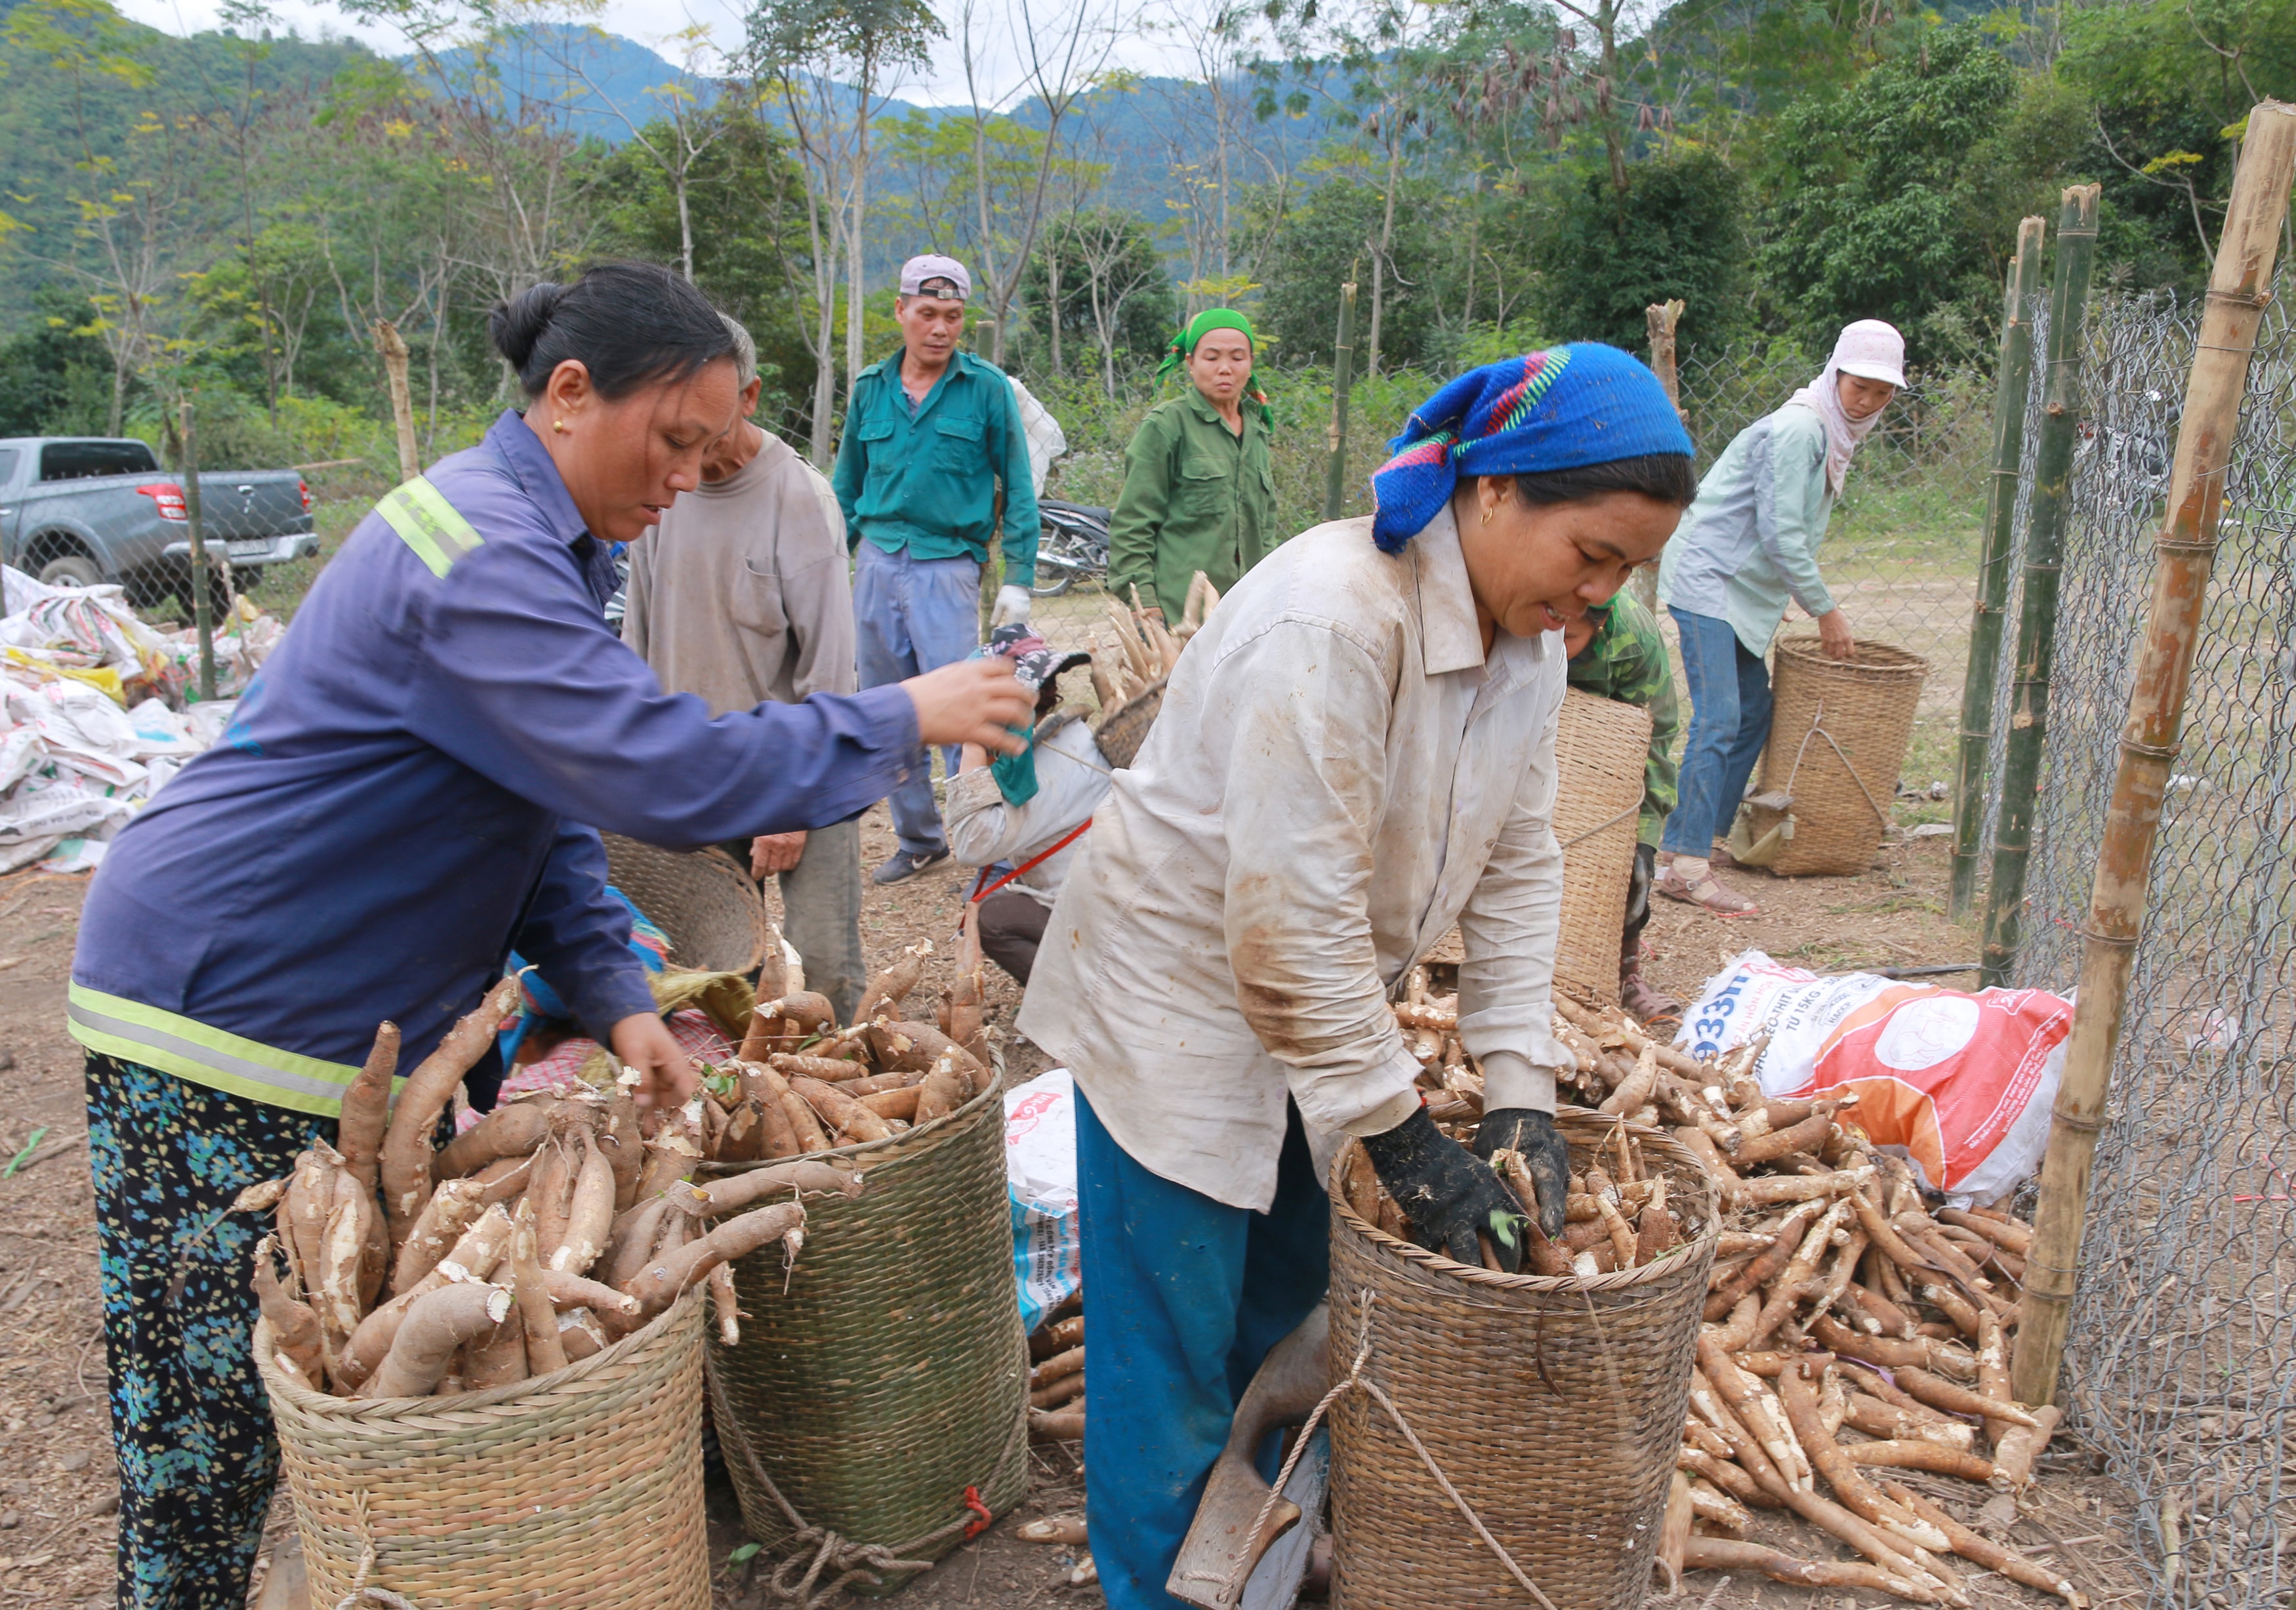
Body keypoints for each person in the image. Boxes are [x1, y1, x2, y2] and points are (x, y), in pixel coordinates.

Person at [66, 260, 1033, 1610]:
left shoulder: (549, 550)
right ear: (570, 396)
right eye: (677, 439)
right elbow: (650, 768)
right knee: (212, 1436)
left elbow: (545, 806)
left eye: (713, 448)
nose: (691, 477)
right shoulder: (471, 547)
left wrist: (616, 994)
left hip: (343, 1019)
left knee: (364, 1381)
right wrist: (895, 716)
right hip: (218, 1003)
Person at [1017, 344, 1698, 1610]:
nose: (1598, 596)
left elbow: (1520, 861)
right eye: (1590, 554)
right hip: (1176, 1014)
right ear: (1497, 494)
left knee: (1291, 1322)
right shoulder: (1337, 615)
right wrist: (1402, 1137)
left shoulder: (1530, 641)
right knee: (1174, 1365)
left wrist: (1517, 1092)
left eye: (1625, 572)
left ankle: (1261, 1573)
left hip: (1309, 1013)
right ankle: (1163, 1592)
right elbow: (1288, 921)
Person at [623, 316, 869, 1022]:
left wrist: (790, 805)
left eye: (710, 427)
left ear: (751, 396)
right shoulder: (661, 494)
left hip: (800, 770)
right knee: (707, 972)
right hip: (692, 770)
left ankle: (846, 1106)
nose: (692, 451)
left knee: (824, 967)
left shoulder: (798, 498)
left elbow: (831, 670)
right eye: (675, 431)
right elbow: (639, 642)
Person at [1655, 319, 1904, 916]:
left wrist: (1781, 592)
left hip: (1736, 586)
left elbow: (1775, 526)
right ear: (1834, 374)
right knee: (1719, 718)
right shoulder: (1801, 429)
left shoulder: (1829, 432)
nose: (1867, 400)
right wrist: (1826, 610)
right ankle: (1684, 867)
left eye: (1881, 391)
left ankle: (1695, 840)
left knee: (1753, 710)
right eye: (1857, 386)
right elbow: (1782, 531)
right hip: (1710, 581)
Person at [834, 254, 1042, 886]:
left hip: (947, 566)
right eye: (927, 314)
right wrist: (822, 569)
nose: (940, 328)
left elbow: (1020, 484)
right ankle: (919, 838)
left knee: (964, 710)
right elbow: (846, 487)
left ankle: (993, 844)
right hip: (875, 560)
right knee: (886, 707)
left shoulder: (985, 389)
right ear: (900, 312)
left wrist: (1020, 576)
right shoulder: (871, 388)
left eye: (953, 316)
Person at [945, 624, 1105, 985]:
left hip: (1106, 917)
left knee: (994, 920)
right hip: (1113, 899)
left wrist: (974, 744)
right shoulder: (1070, 741)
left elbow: (973, 845)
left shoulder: (1045, 769)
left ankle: (1086, 1007)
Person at [1105, 309, 1278, 624]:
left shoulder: (1257, 431)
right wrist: (1146, 607)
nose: (1225, 368)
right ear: (1190, 363)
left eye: (1237, 358)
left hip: (1248, 616)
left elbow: (1264, 528)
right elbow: (1132, 525)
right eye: (1211, 358)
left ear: (1251, 363)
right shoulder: (1166, 426)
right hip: (1180, 617)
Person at [1560, 592, 1685, 1024]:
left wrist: (1645, 842)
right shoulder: (1518, 610)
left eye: (1569, 635)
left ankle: (1624, 972)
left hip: (1601, 764)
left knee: (1626, 873)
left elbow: (1655, 744)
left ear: (1599, 624)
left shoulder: (1635, 639)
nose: (1550, 642)